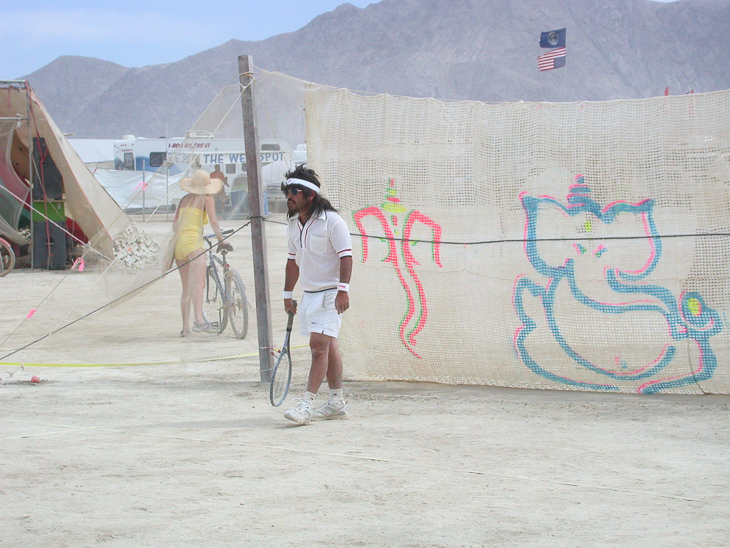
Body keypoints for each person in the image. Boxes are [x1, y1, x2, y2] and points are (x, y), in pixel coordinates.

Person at [281, 164, 353, 425]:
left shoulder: (332, 221)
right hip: (309, 293)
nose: (289, 196)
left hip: (331, 293)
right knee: (329, 345)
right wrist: (287, 294)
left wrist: (342, 290)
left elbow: (346, 256)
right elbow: (292, 261)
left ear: (310, 195)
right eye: (287, 191)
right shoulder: (292, 223)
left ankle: (306, 405)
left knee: (318, 347)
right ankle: (336, 402)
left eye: (295, 191)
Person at [173, 169, 232, 337]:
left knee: (186, 288)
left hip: (180, 245)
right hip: (193, 243)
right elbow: (213, 221)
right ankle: (199, 320)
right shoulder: (206, 198)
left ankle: (185, 328)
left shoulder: (184, 200)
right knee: (198, 284)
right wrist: (221, 240)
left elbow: (175, 226)